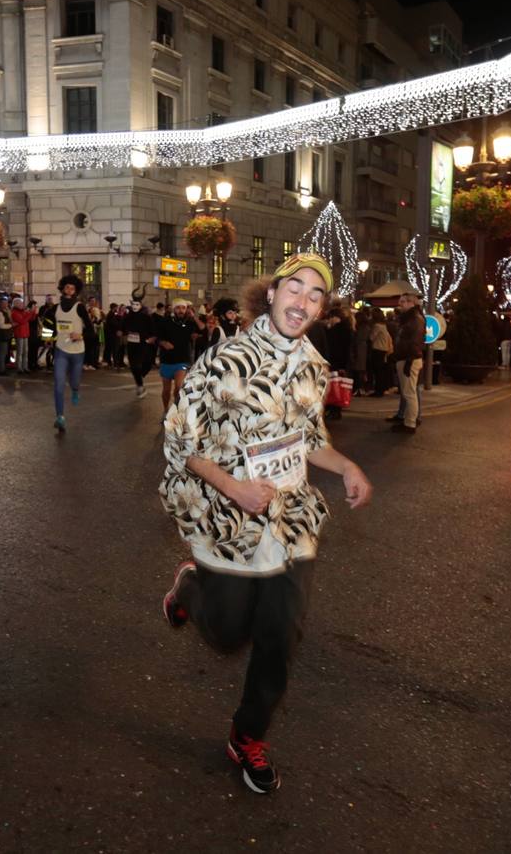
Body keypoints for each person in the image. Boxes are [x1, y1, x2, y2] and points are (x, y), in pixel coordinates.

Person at [159, 252, 373, 795]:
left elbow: (309, 439)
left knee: (281, 634)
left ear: (321, 308)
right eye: (294, 288)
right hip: (226, 517)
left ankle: (247, 734)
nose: (301, 301)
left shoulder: (314, 366)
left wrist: (346, 465)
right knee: (229, 634)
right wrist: (232, 485)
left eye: (314, 295)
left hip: (290, 519)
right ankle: (189, 585)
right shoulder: (222, 359)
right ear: (271, 293)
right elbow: (180, 440)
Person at [51, 275, 93, 432]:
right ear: (62, 288)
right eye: (67, 287)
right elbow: (48, 327)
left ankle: (75, 390)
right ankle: (60, 417)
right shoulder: (55, 308)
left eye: (72, 288)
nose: (69, 290)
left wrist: (80, 335)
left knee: (74, 382)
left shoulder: (80, 307)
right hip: (61, 350)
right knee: (59, 384)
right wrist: (48, 339)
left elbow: (91, 331)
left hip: (77, 352)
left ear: (76, 291)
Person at [391, 293, 425, 434]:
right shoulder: (410, 318)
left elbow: (415, 342)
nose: (401, 304)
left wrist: (409, 361)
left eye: (403, 302)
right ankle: (407, 420)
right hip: (405, 358)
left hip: (409, 359)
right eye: (400, 301)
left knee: (409, 393)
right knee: (408, 392)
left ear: (412, 303)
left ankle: (410, 423)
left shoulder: (415, 319)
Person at [157, 299, 199, 413]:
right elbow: (158, 338)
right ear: (174, 309)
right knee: (166, 390)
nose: (181, 310)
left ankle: (176, 409)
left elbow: (202, 329)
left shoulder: (190, 322)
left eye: (183, 308)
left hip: (182, 360)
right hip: (167, 359)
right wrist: (164, 343)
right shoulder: (165, 321)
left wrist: (194, 317)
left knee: (179, 387)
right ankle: (165, 409)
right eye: (178, 308)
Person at [123, 287, 157, 399]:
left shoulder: (146, 317)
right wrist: (121, 331)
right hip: (131, 344)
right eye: (133, 304)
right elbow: (123, 327)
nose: (135, 307)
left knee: (143, 364)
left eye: (137, 305)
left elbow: (152, 329)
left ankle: (140, 378)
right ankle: (140, 385)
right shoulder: (128, 316)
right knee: (133, 365)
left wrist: (152, 337)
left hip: (143, 343)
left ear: (141, 305)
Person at [10, 296, 34, 373]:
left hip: (25, 333)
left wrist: (32, 312)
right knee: (20, 352)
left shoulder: (22, 311)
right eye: (21, 303)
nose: (23, 304)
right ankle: (19, 367)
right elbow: (22, 321)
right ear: (16, 304)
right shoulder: (14, 312)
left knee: (25, 352)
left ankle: (25, 367)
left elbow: (31, 319)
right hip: (19, 334)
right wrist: (30, 313)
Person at [0, 297, 14, 374]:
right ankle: (1, 370)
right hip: (1, 336)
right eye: (4, 303)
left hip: (6, 335)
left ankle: (2, 368)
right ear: (0, 304)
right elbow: (1, 325)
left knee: (4, 353)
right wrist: (11, 325)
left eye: (7, 303)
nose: (6, 304)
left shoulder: (6, 312)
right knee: (2, 353)